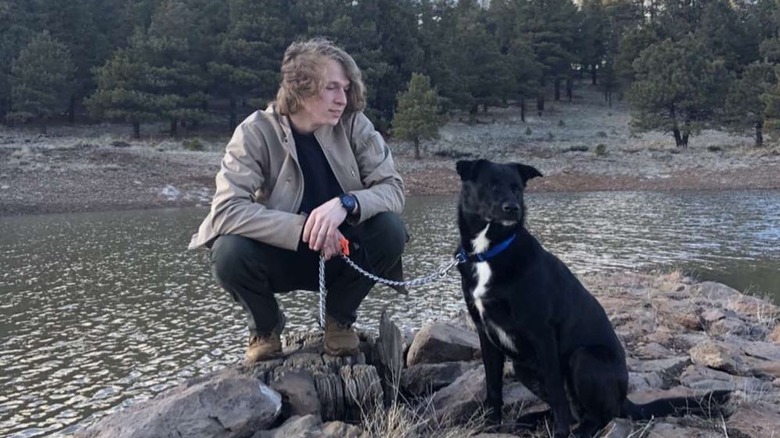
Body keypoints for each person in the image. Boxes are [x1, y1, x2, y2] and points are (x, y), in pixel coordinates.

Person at [188, 37, 407, 364]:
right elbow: (226, 210)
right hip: (281, 255)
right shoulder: (254, 133)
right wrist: (305, 226)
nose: (342, 99)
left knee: (391, 229)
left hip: (342, 254)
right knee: (228, 252)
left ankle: (339, 318)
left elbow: (392, 189)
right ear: (301, 88)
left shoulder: (354, 125)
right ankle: (265, 327)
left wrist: (346, 205)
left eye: (345, 88)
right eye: (332, 87)